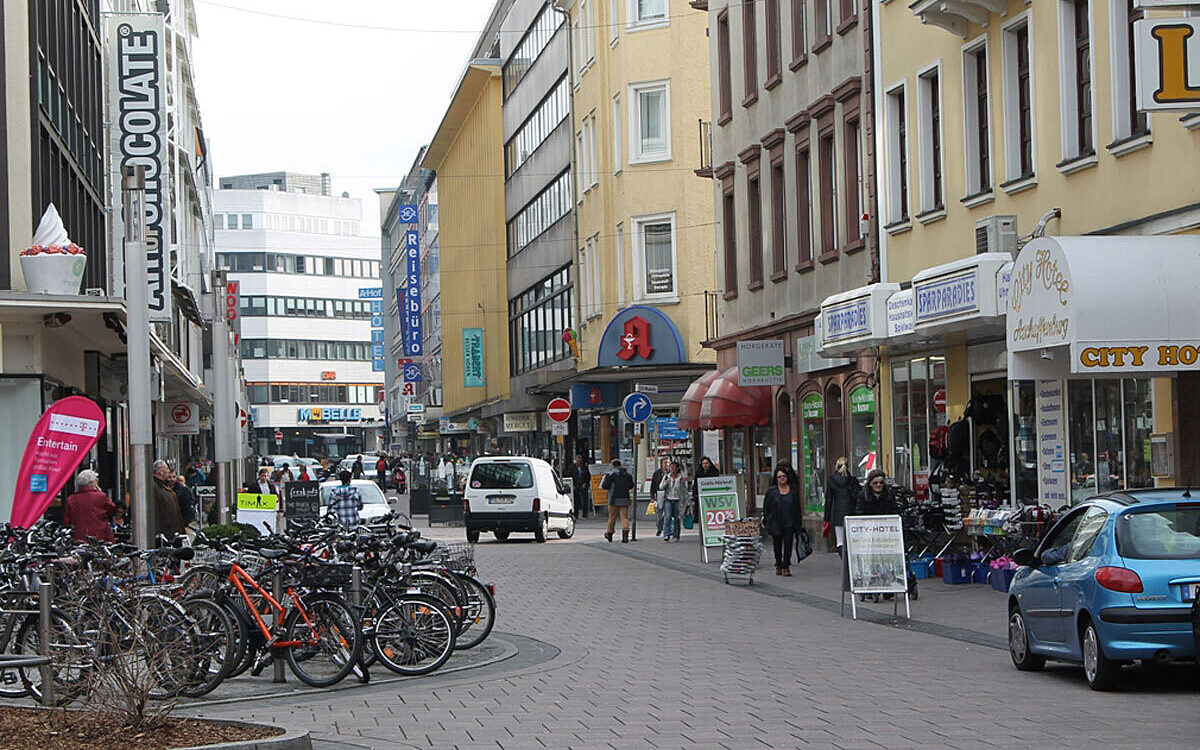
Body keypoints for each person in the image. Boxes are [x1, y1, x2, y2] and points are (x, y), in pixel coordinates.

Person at [762, 463, 803, 576]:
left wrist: (798, 523)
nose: (782, 479)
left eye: (783, 476)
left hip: (789, 522)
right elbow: (766, 507)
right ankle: (778, 564)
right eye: (779, 477)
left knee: (788, 544)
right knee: (777, 545)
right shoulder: (772, 492)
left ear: (787, 477)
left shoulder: (793, 491)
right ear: (776, 478)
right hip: (776, 522)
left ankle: (786, 566)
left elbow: (797, 507)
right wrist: (767, 520)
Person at [63, 469, 116, 542]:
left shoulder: (70, 499)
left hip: (79, 538)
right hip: (100, 536)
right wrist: (100, 492)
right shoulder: (100, 496)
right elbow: (112, 509)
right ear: (91, 482)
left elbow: (67, 521)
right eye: (96, 480)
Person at [823, 457, 862, 553]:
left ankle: (844, 560)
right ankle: (849, 562)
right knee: (851, 541)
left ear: (837, 467)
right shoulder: (853, 480)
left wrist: (827, 518)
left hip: (837, 514)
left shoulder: (832, 480)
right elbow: (859, 496)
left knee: (840, 542)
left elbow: (829, 500)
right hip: (851, 513)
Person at [600, 459, 635, 543]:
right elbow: (631, 485)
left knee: (612, 517)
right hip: (624, 498)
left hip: (613, 498)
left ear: (613, 465)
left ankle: (610, 533)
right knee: (624, 516)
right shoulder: (627, 475)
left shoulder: (610, 475)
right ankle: (625, 532)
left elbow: (605, 486)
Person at [152, 460, 184, 538]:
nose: (168, 471)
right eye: (166, 469)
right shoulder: (155, 488)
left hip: (171, 532)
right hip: (165, 534)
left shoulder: (163, 488)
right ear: (160, 472)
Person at [659, 461, 688, 543]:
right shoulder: (666, 477)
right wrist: (665, 483)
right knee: (667, 517)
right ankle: (666, 534)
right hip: (668, 499)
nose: (672, 469)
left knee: (677, 518)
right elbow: (660, 487)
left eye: (674, 467)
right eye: (671, 467)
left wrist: (686, 501)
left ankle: (676, 535)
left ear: (677, 468)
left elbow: (684, 490)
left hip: (678, 500)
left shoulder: (680, 478)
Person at [649, 457, 670, 536]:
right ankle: (659, 528)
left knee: (668, 514)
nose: (667, 465)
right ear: (661, 464)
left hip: (669, 495)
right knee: (660, 513)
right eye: (665, 463)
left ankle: (668, 530)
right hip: (660, 494)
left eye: (668, 463)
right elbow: (653, 486)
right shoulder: (657, 473)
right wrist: (652, 496)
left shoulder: (671, 473)